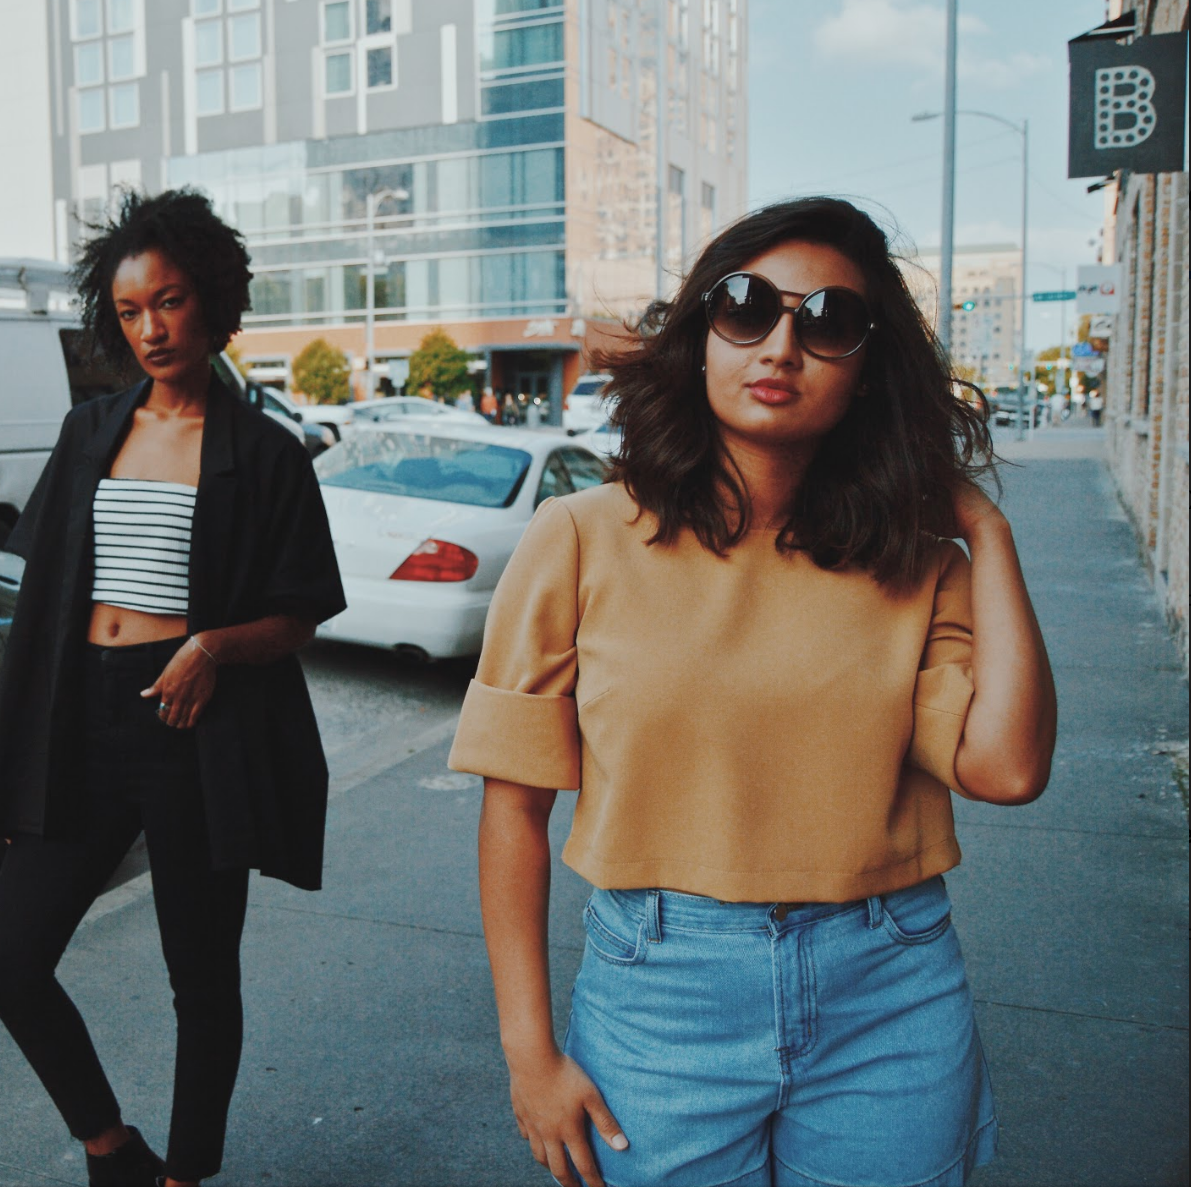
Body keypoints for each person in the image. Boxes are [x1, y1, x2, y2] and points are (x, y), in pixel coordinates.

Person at [452, 197, 1057, 1187]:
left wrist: (987, 532)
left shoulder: (916, 563)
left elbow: (1008, 765)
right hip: (661, 996)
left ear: (866, 372)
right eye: (745, 307)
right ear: (700, 340)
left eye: (828, 322)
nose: (781, 343)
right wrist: (530, 1050)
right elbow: (513, 806)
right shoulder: (579, 537)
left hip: (889, 988)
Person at [0, 188, 346, 1187]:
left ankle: (187, 1175)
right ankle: (111, 1145)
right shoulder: (90, 430)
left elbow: (304, 606)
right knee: (4, 959)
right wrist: (18, 770)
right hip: (81, 717)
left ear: (215, 302)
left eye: (169, 302)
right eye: (131, 310)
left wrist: (217, 644)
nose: (151, 328)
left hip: (193, 728)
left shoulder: (265, 453)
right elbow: (41, 607)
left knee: (200, 976)